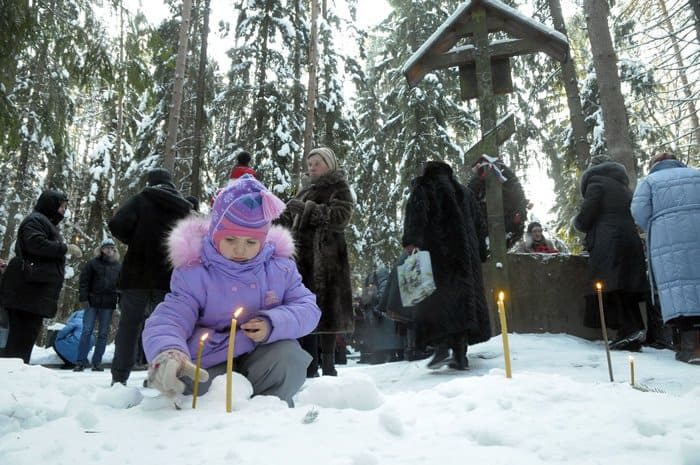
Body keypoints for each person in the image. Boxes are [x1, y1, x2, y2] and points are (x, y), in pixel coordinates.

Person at [142, 175, 320, 407]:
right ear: (215, 234)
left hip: (261, 356)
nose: (240, 249)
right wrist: (169, 352)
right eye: (230, 239)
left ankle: (270, 414)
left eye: (251, 242)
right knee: (190, 384)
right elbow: (171, 316)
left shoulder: (280, 268)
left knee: (289, 356)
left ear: (263, 239)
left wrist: (272, 322)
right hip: (210, 360)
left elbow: (307, 308)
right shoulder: (194, 271)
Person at [402, 161, 491, 370]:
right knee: (462, 304)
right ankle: (460, 355)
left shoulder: (424, 187)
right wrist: (480, 254)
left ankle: (441, 348)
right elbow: (480, 226)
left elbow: (416, 217)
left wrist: (411, 242)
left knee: (436, 304)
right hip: (466, 262)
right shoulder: (464, 192)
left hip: (438, 257)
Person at [108, 168, 193, 385]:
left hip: (136, 275)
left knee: (129, 326)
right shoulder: (182, 208)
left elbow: (116, 224)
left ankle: (119, 378)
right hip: (168, 277)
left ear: (151, 182)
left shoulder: (141, 200)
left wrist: (135, 239)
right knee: (163, 328)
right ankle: (158, 376)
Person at [276, 147, 354, 377]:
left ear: (328, 164)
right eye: (309, 164)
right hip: (302, 260)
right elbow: (287, 220)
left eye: (316, 163)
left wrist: (309, 209)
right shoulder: (304, 190)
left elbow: (341, 217)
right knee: (305, 308)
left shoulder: (339, 187)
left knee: (328, 310)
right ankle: (309, 365)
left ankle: (328, 365)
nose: (311, 168)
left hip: (328, 258)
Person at [573, 155, 648, 351]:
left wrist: (577, 222)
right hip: (629, 240)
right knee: (626, 287)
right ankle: (635, 329)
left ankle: (627, 330)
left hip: (608, 241)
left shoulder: (596, 183)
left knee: (612, 287)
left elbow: (587, 214)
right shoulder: (624, 188)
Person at [631, 152, 700, 364]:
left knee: (678, 288)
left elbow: (638, 211)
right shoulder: (696, 175)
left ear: (654, 165)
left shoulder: (650, 181)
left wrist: (653, 224)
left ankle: (690, 348)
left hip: (666, 238)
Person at [0, 190, 82, 363]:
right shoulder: (36, 220)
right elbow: (35, 244)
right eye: (61, 206)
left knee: (25, 338)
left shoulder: (44, 222)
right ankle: (12, 377)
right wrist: (65, 248)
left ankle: (17, 374)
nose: (63, 211)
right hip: (26, 292)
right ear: (51, 205)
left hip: (33, 293)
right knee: (19, 339)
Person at [74, 238, 121, 371]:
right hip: (91, 303)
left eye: (111, 248)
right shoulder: (92, 264)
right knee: (87, 331)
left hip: (108, 304)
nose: (109, 250)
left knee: (103, 334)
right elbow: (84, 282)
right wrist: (84, 299)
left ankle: (97, 362)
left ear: (114, 250)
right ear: (101, 249)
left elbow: (121, 286)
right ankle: (80, 361)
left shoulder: (118, 266)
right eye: (106, 247)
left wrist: (121, 301)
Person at [468, 156, 529, 250]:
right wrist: (479, 179)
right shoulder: (477, 183)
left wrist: (518, 217)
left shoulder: (507, 178)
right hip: (484, 228)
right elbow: (469, 199)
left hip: (506, 224)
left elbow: (518, 197)